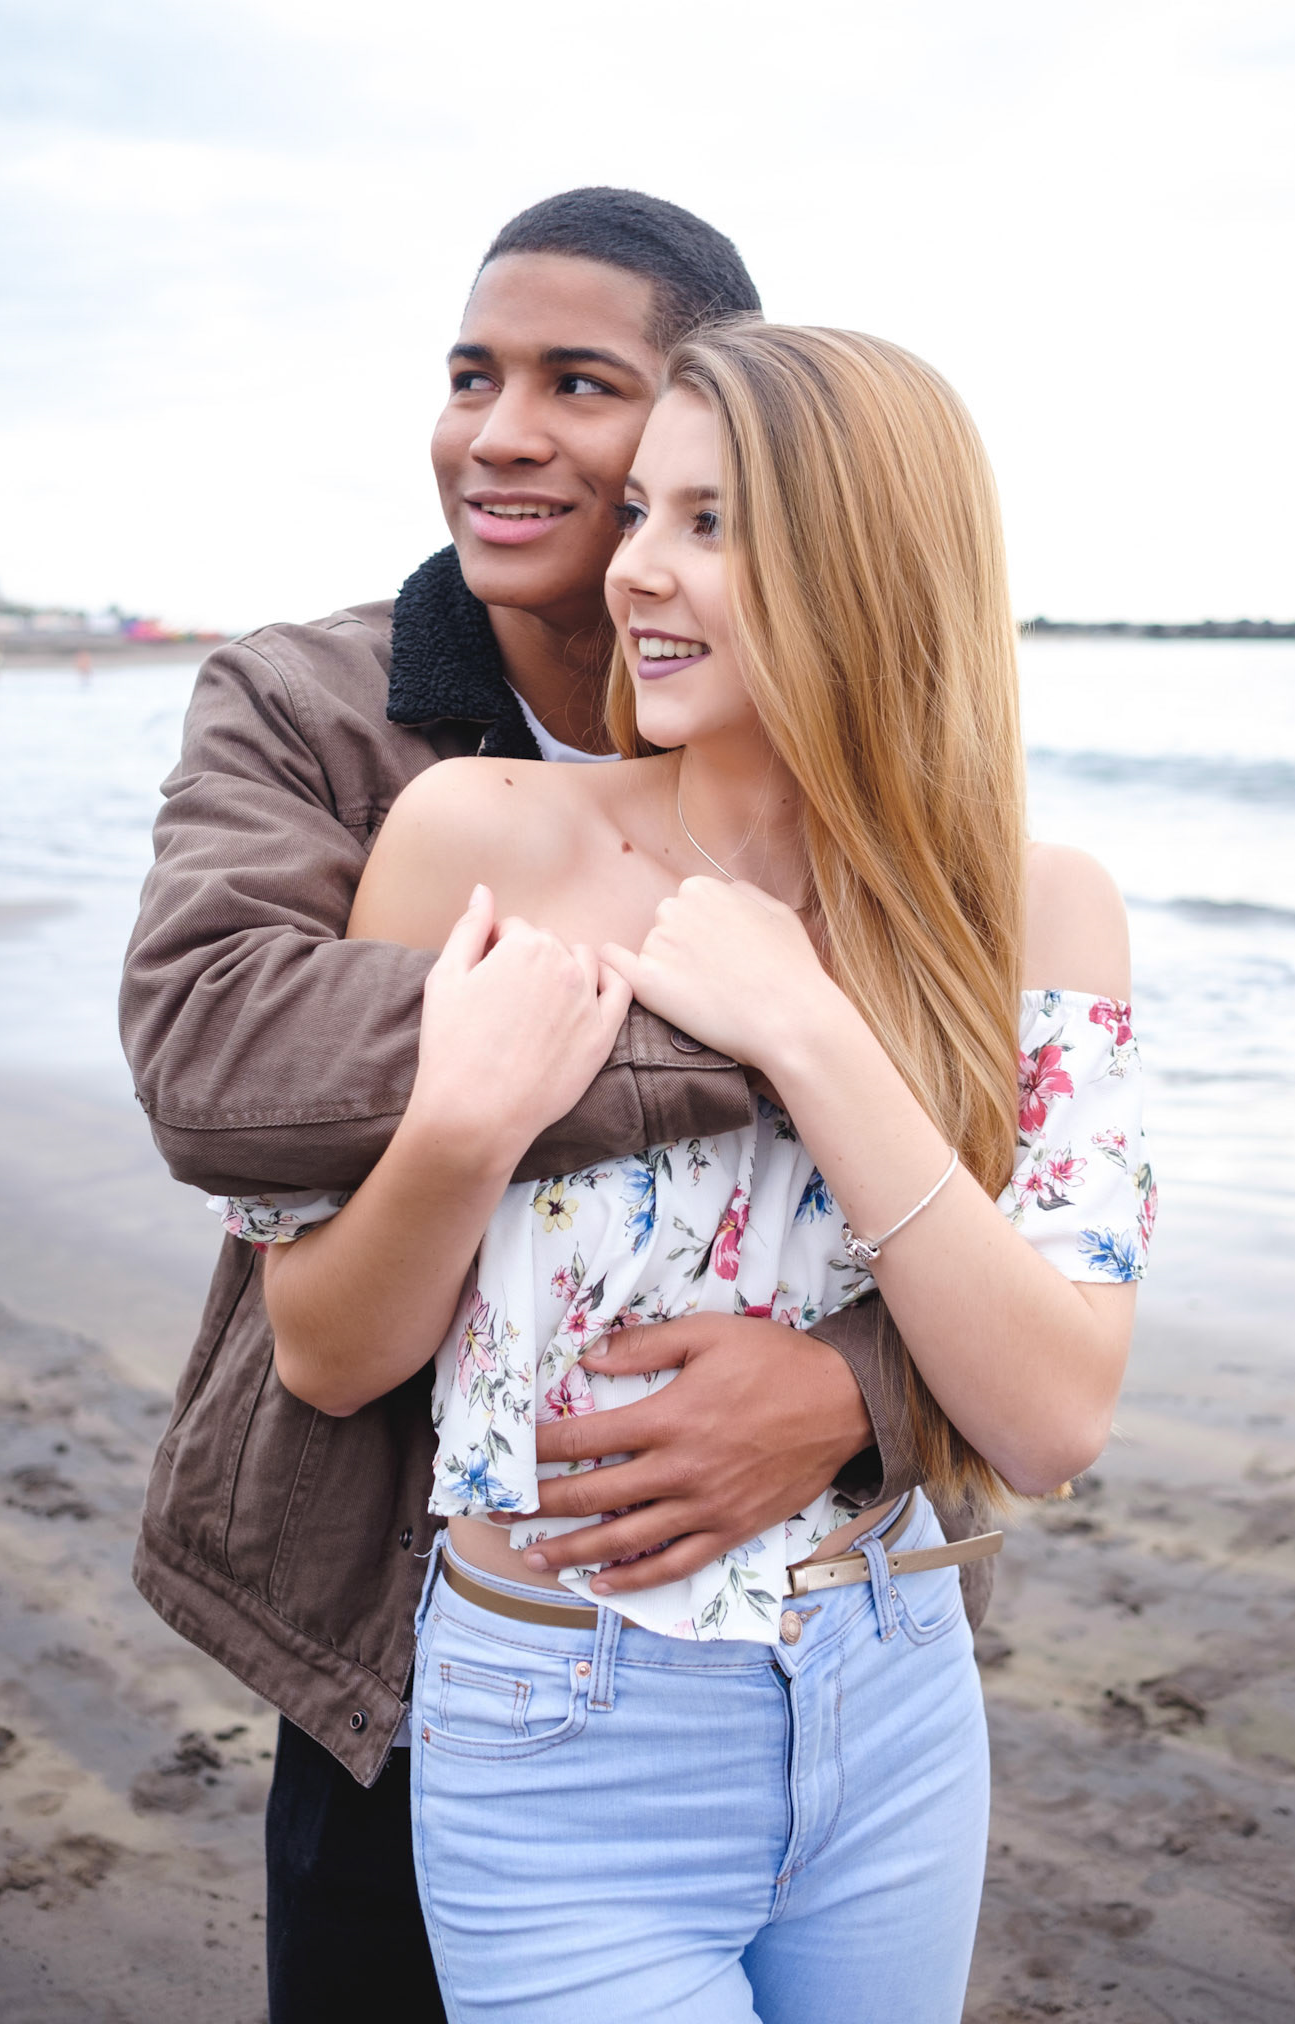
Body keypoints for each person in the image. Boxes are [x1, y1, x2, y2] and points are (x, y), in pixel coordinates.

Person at [233, 323, 1156, 2021]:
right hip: (556, 1723)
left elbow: (1049, 1421)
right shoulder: (477, 841)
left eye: (711, 523)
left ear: (870, 564)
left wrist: (808, 1032)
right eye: (644, 510)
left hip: (892, 1689)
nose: (636, 568)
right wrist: (462, 1130)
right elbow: (326, 1354)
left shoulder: (1039, 909)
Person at [121, 193, 969, 2021]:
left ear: (722, 426)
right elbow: (215, 1053)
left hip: (803, 1628)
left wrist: (862, 1390)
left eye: (577, 384)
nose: (497, 432)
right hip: (390, 1613)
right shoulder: (316, 708)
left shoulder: (865, 776)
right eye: (468, 377)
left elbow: (1015, 1201)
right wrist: (775, 1032)